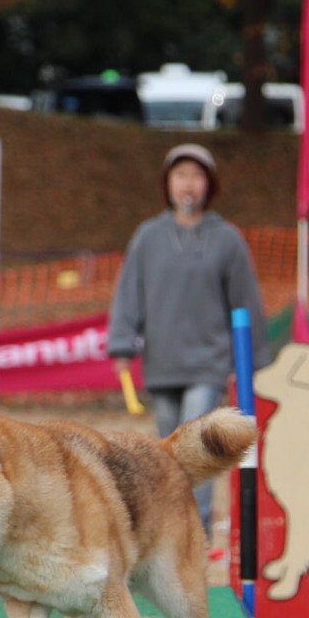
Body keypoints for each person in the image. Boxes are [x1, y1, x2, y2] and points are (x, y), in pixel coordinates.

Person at [107, 143, 270, 535]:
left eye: (196, 176)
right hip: (163, 364)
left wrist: (256, 361)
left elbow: (246, 301)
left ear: (209, 185)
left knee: (196, 449)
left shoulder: (227, 238)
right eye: (180, 175)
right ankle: (169, 532)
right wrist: (122, 343)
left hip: (208, 364)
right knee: (166, 454)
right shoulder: (148, 236)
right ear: (167, 184)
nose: (188, 184)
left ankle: (196, 532)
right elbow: (129, 292)